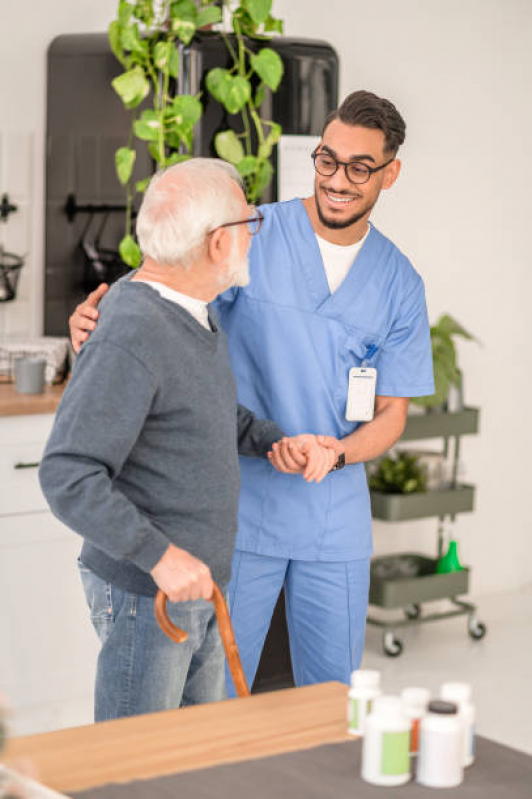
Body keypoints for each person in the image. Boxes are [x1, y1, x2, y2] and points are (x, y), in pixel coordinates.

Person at [69, 90, 434, 695]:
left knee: (330, 696)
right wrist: (92, 323)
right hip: (240, 505)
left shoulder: (399, 282)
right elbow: (157, 293)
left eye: (359, 167)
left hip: (332, 513)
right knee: (215, 695)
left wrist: (337, 453)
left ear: (389, 172)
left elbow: (392, 415)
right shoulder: (252, 232)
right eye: (327, 160)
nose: (338, 180)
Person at [40, 158, 336, 722]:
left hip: (195, 586)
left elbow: (202, 411)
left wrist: (274, 441)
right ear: (218, 243)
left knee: (194, 760)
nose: (255, 239)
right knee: (138, 770)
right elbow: (67, 475)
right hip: (146, 594)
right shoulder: (132, 328)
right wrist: (162, 558)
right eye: (249, 226)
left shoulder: (189, 311)